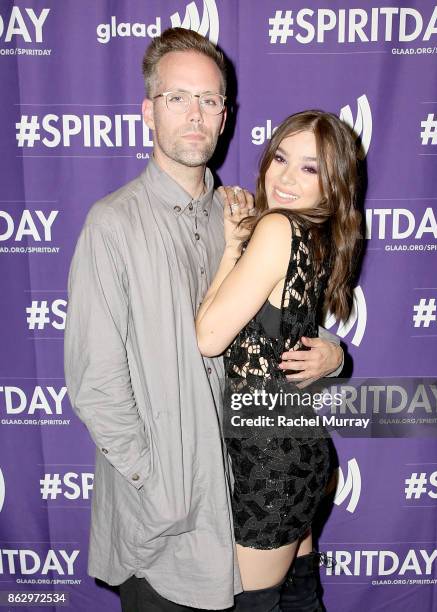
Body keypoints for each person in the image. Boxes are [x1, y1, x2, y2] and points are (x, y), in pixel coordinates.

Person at [64, 28, 343, 611]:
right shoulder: (112, 225)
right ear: (148, 111)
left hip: (245, 497)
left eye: (210, 100)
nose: (196, 114)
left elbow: (279, 316)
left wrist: (332, 352)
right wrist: (157, 483)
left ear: (225, 116)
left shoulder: (241, 210)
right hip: (167, 529)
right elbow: (96, 384)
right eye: (178, 98)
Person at [196, 109, 362, 610]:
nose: (286, 176)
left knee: (258, 603)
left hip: (269, 465)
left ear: (333, 184)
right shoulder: (318, 236)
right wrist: (233, 247)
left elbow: (208, 337)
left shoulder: (278, 228)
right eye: (281, 157)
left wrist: (231, 252)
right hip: (299, 455)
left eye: (310, 168)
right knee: (300, 595)